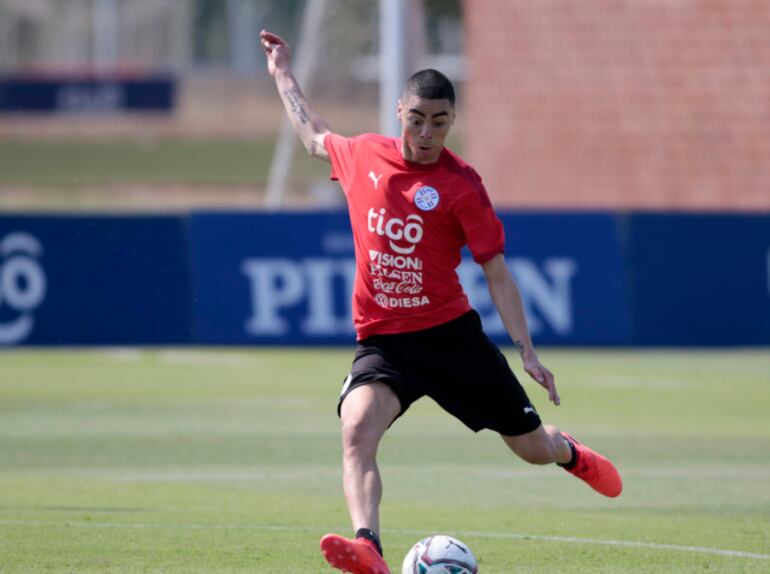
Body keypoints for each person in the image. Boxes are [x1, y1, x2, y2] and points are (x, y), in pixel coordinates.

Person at [260, 30, 622, 574]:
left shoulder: (461, 186)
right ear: (399, 112)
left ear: (452, 121)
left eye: (440, 122)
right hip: (384, 342)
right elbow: (313, 135)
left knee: (531, 449)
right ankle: (369, 548)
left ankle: (567, 451)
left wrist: (526, 350)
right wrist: (282, 72)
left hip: (451, 339)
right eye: (417, 119)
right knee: (356, 430)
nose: (427, 133)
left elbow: (497, 273)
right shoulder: (363, 156)